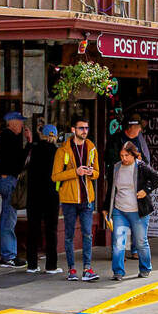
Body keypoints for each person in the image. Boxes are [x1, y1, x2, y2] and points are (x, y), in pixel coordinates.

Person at [104, 142, 158, 280]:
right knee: (118, 242)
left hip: (138, 211)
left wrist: (146, 190)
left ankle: (145, 268)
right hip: (119, 210)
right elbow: (111, 189)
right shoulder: (116, 167)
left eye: (127, 155)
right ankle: (118, 272)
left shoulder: (141, 167)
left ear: (133, 155)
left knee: (140, 242)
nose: (124, 158)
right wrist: (105, 208)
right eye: (121, 155)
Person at [53, 116, 100, 281]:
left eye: (86, 128)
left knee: (88, 234)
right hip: (69, 200)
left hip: (87, 199)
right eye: (81, 128)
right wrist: (76, 172)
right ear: (73, 130)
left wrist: (90, 173)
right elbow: (55, 176)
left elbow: (97, 173)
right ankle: (71, 269)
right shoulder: (63, 150)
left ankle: (87, 269)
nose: (85, 131)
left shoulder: (92, 148)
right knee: (69, 235)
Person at [0, 112, 31, 266]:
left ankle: (8, 253)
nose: (22, 126)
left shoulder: (4, 137)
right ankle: (8, 255)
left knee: (7, 216)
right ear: (12, 122)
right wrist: (29, 142)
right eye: (20, 122)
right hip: (9, 180)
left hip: (6, 179)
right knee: (9, 218)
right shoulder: (10, 138)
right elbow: (19, 162)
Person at [25, 125, 62, 274]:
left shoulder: (33, 150)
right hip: (51, 195)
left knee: (32, 229)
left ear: (42, 135)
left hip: (33, 195)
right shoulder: (57, 152)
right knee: (51, 230)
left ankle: (32, 265)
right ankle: (51, 266)